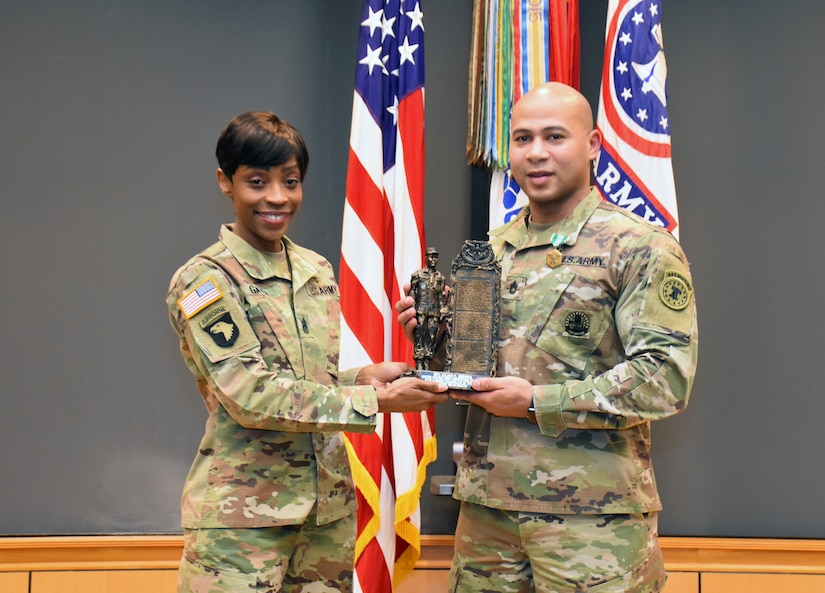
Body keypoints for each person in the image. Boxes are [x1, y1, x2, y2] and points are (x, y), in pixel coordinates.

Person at [396, 82, 698, 592]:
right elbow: (483, 372)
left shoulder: (639, 247)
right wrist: (441, 340)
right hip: (487, 513)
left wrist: (538, 402)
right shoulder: (493, 250)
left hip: (591, 518)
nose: (536, 153)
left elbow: (665, 378)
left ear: (594, 145)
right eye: (522, 138)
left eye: (555, 136)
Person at [166, 111, 448, 593]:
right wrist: (375, 402)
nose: (277, 197)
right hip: (244, 520)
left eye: (290, 181)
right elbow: (250, 394)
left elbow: (305, 380)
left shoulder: (315, 270)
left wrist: (363, 377)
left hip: (327, 511)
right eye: (257, 181)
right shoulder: (204, 282)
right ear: (225, 183)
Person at [409, 247, 448, 370]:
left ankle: (427, 361)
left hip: (434, 311)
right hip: (421, 310)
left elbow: (441, 296)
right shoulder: (418, 275)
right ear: (426, 258)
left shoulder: (440, 277)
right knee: (420, 335)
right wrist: (411, 308)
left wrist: (443, 309)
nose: (433, 259)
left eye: (435, 257)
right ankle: (419, 362)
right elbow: (412, 292)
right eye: (431, 256)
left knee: (431, 336)